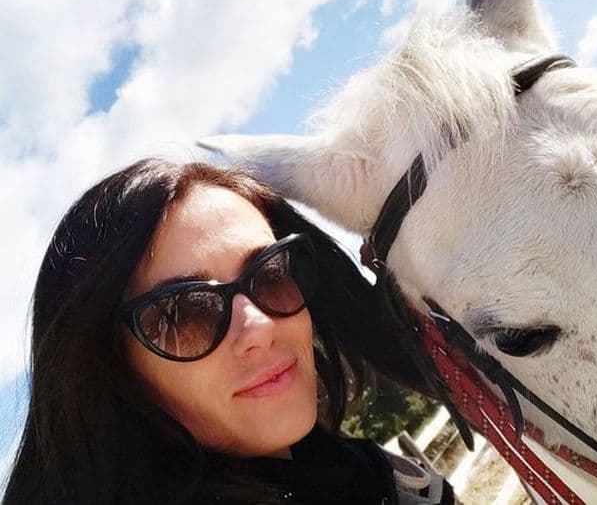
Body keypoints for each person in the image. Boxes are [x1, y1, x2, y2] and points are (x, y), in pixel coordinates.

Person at [3, 158, 454, 504]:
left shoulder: (374, 475)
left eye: (272, 272)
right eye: (185, 314)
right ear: (112, 371)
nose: (258, 326)